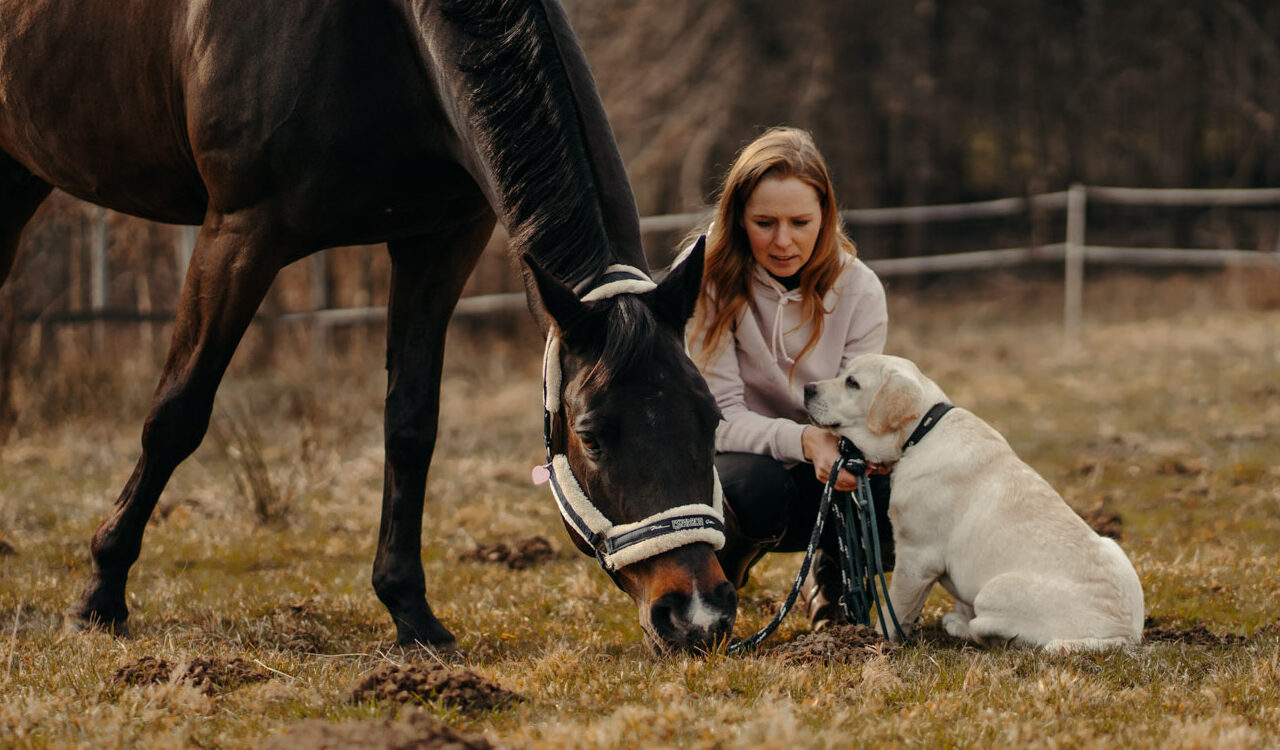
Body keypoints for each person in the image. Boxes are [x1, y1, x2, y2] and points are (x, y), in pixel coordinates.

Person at [684, 126, 889, 630]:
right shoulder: (705, 278)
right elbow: (717, 419)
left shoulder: (859, 290)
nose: (782, 241)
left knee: (897, 488)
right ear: (737, 219)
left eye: (800, 222)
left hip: (825, 454)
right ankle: (721, 572)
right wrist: (802, 439)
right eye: (764, 222)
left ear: (825, 216)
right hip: (738, 461)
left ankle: (836, 579)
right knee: (756, 486)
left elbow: (855, 406)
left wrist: (851, 448)